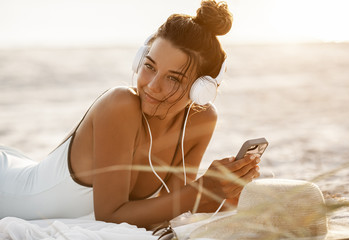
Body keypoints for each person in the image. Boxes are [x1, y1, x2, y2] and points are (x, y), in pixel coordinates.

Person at [0, 0, 261, 229]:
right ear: (139, 60)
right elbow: (110, 215)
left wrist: (221, 194)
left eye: (173, 78)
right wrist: (201, 192)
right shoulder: (120, 105)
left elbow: (169, 208)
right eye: (149, 66)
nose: (152, 85)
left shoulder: (201, 120)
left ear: (200, 89)